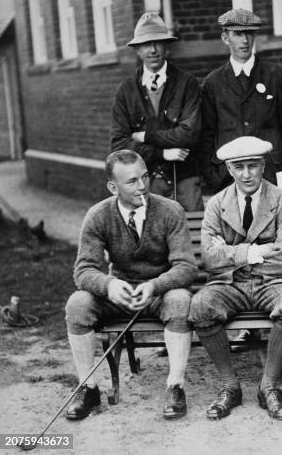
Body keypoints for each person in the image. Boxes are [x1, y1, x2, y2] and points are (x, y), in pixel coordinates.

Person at [64, 150, 198, 420]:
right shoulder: (98, 215)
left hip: (159, 293)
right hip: (118, 294)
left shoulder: (170, 210)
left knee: (181, 300)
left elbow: (186, 267)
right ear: (113, 187)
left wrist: (154, 286)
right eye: (132, 181)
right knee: (77, 304)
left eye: (146, 176)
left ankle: (175, 385)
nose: (143, 186)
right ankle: (88, 388)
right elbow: (84, 270)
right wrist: (109, 286)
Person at [188, 136, 282, 421]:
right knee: (201, 305)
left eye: (252, 166)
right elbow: (209, 259)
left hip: (272, 282)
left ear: (263, 165)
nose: (246, 174)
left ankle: (269, 386)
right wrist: (257, 252)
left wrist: (230, 253)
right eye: (239, 167)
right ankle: (230, 385)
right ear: (229, 169)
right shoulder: (217, 204)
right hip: (230, 284)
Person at [199, 9, 282, 198]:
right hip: (230, 175)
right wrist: (213, 175)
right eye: (237, 34)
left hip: (272, 169)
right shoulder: (213, 82)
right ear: (225, 38)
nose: (245, 41)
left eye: (249, 34)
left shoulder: (274, 74)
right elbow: (207, 135)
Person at [110, 13, 203, 211]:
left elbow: (189, 134)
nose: (152, 50)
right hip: (146, 184)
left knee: (192, 235)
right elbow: (119, 146)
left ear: (167, 46)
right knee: (150, 238)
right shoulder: (126, 91)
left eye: (158, 43)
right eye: (145, 44)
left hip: (185, 180)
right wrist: (162, 153)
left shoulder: (187, 83)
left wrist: (144, 136)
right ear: (137, 49)